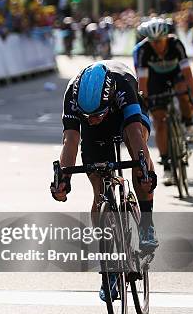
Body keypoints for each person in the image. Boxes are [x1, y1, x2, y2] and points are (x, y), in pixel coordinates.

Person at [50, 60, 158, 301]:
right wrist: (63, 180)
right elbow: (70, 141)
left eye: (96, 114)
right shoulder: (73, 94)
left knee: (137, 155)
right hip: (94, 132)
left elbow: (136, 137)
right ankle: (108, 266)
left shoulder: (121, 86)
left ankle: (146, 224)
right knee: (99, 190)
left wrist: (145, 170)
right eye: (88, 115)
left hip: (124, 118)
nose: (93, 119)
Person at [133, 17, 193, 186]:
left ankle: (189, 124)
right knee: (159, 122)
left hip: (175, 74)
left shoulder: (176, 44)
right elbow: (143, 81)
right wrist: (144, 102)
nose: (157, 45)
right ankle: (167, 166)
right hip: (155, 80)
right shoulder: (144, 50)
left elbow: (188, 73)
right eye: (153, 42)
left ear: (166, 37)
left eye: (160, 41)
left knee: (182, 91)